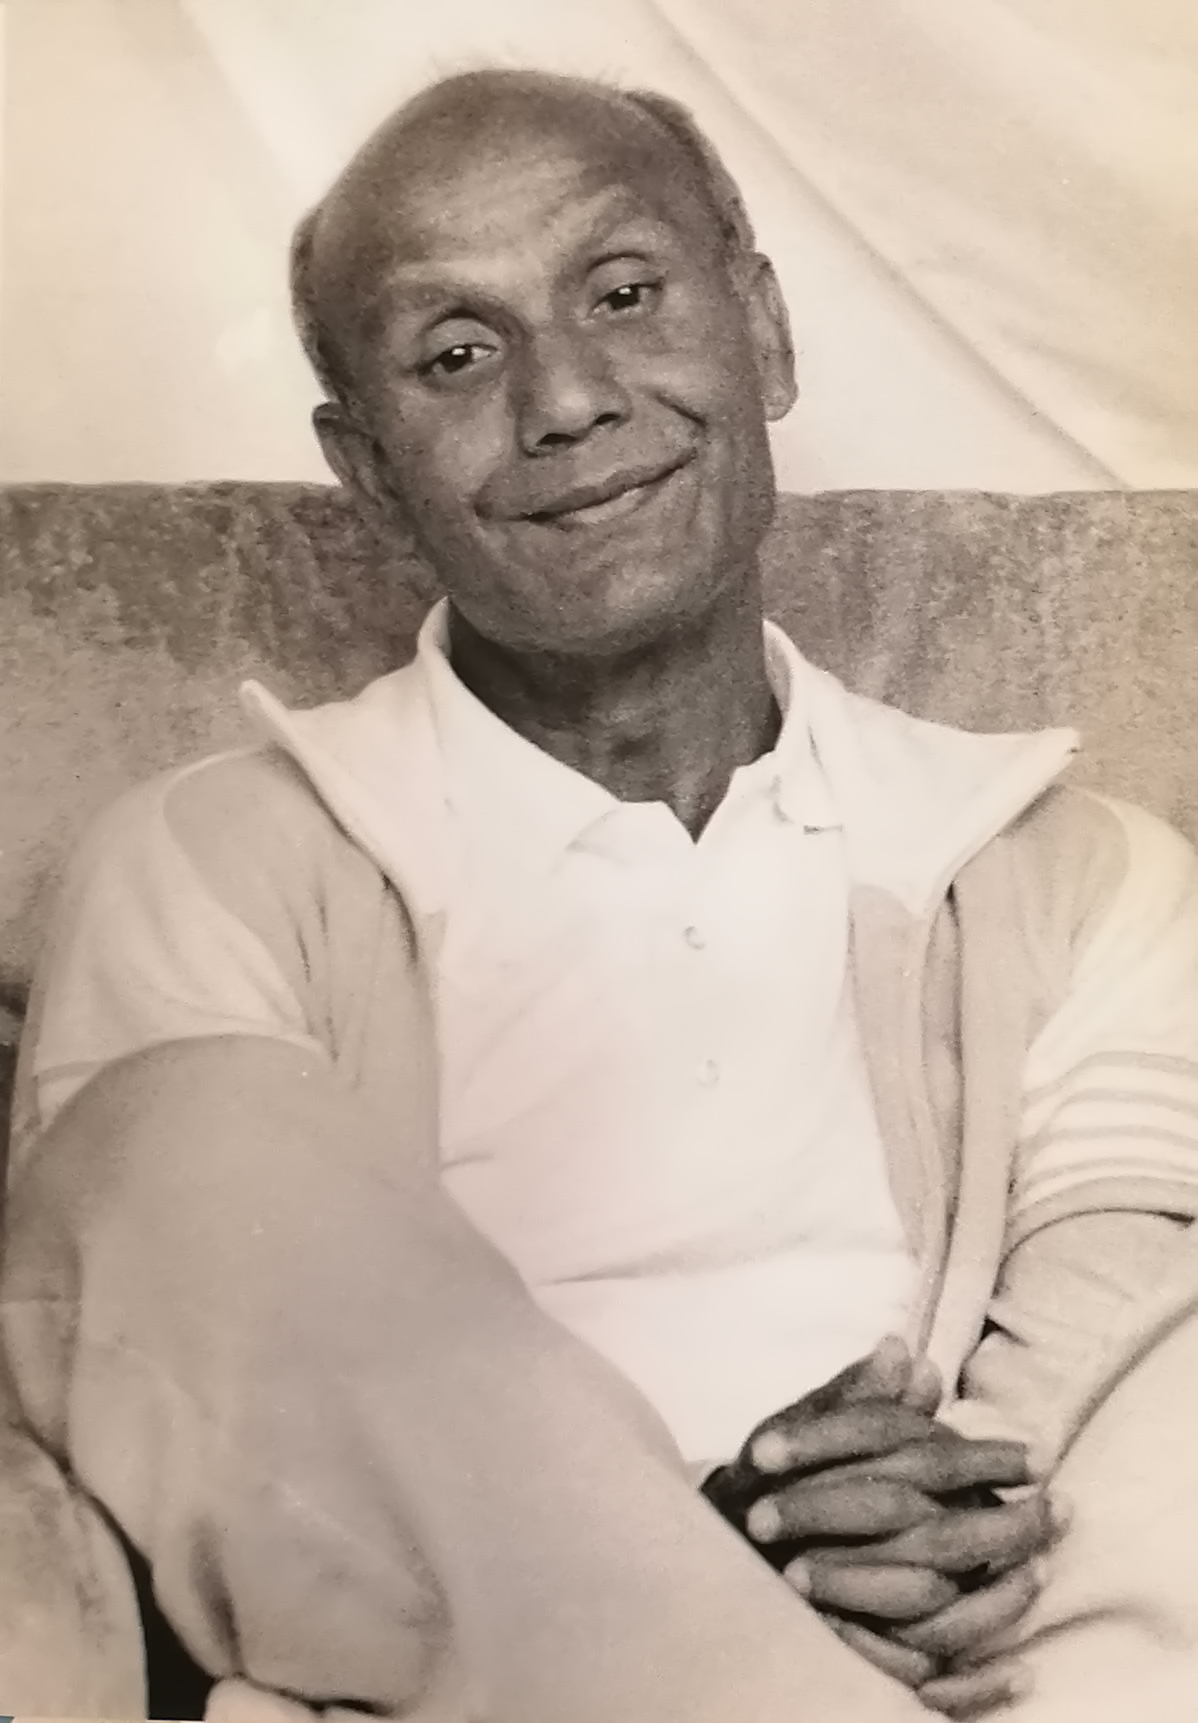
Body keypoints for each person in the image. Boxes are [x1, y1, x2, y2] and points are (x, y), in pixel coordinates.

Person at [5, 65, 1198, 1723]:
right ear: (368, 469)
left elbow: (1118, 1326)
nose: (563, 398)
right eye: (456, 354)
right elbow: (177, 1383)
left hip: (1003, 1656)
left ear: (762, 331)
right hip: (461, 1677)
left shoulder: (1060, 863)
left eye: (623, 293)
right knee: (170, 1141)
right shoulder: (207, 862)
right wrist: (702, 1563)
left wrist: (910, 1537)